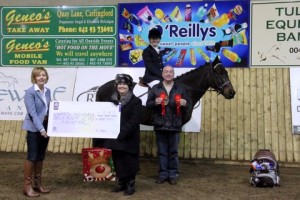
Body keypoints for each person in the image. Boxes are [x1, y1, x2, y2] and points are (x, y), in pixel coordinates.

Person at [94, 74, 142, 195]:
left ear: (129, 86)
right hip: (114, 137)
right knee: (118, 160)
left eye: (124, 84)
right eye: (119, 84)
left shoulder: (136, 101)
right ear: (116, 86)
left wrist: (123, 133)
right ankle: (121, 183)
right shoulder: (111, 102)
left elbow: (134, 120)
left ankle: (130, 184)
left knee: (129, 161)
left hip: (129, 137)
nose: (122, 86)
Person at [146, 65, 190, 185]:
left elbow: (188, 106)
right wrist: (155, 102)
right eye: (166, 72)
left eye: (171, 72)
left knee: (173, 152)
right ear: (162, 74)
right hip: (160, 125)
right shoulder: (155, 88)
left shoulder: (180, 89)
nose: (168, 74)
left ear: (173, 74)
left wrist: (185, 103)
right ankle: (163, 174)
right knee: (162, 152)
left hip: (175, 125)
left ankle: (173, 174)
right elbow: (148, 104)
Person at [22, 67, 51, 197]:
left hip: (46, 125)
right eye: (38, 75)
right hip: (34, 127)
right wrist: (41, 129)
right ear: (34, 78)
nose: (41, 77)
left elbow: (49, 110)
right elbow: (33, 114)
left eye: (43, 75)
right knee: (32, 156)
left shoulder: (48, 91)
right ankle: (27, 186)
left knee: (40, 156)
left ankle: (37, 184)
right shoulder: (30, 92)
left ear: (46, 77)